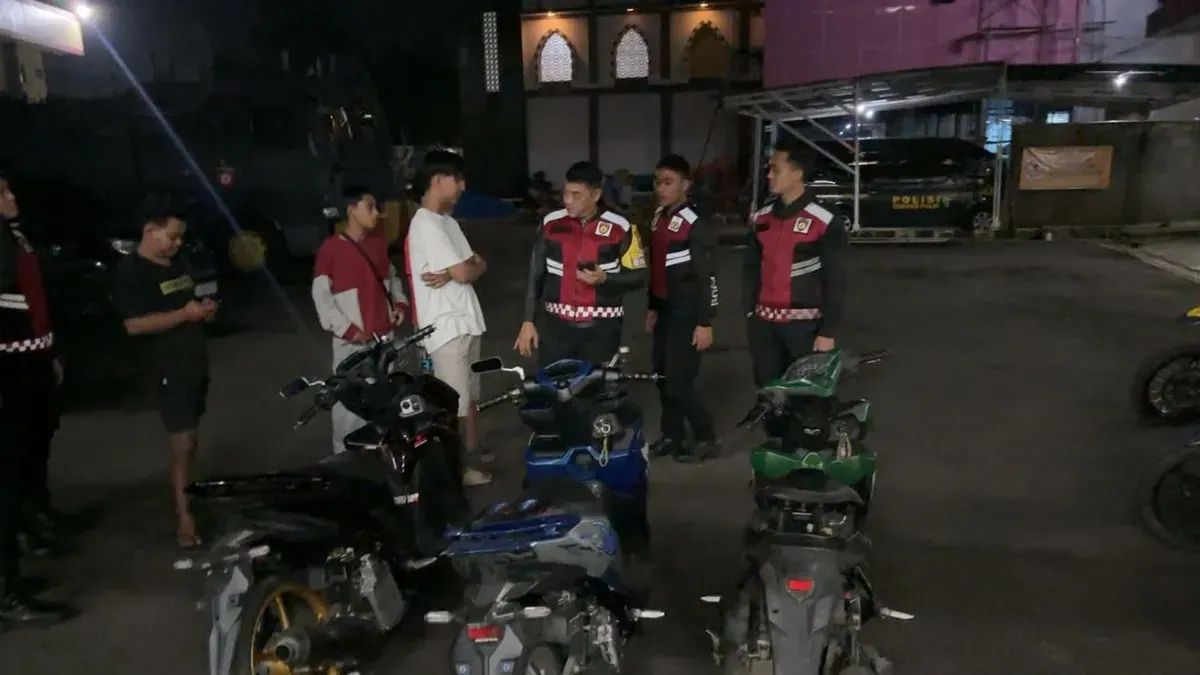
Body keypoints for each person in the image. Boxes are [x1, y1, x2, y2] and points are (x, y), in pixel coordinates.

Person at [112, 197, 218, 549]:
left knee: (191, 440)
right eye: (172, 236)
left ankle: (188, 497)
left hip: (193, 364)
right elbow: (133, 325)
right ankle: (185, 517)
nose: (177, 243)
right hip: (167, 368)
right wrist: (185, 315)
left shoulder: (177, 264)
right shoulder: (131, 272)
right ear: (150, 230)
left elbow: (185, 301)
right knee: (183, 443)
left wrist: (203, 310)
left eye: (180, 238)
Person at [0, 175, 76, 626]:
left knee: (22, 469)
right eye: (3, 192)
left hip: (26, 366)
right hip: (8, 373)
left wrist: (47, 353)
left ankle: (12, 575)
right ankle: (6, 594)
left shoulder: (12, 236)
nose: (13, 197)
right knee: (5, 485)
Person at [404, 150, 492, 488]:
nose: (462, 186)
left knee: (470, 398)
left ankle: (469, 453)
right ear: (437, 180)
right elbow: (467, 270)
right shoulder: (425, 224)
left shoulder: (448, 223)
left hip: (466, 321)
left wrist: (462, 270)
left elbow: (478, 264)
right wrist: (463, 270)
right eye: (457, 179)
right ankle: (456, 470)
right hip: (446, 328)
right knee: (453, 404)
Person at [514, 161, 647, 366]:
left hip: (602, 332)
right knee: (553, 384)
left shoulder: (621, 227)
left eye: (576, 195)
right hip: (556, 331)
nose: (568, 200)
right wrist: (528, 321)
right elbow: (536, 274)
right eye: (565, 193)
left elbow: (639, 276)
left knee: (595, 384)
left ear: (596, 195)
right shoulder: (550, 224)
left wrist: (606, 279)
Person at [743, 138, 848, 387]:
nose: (769, 176)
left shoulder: (825, 220)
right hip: (764, 327)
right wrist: (749, 311)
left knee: (806, 396)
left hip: (805, 329)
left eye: (775, 169)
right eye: (769, 169)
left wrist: (828, 331)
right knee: (768, 393)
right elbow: (750, 267)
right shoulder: (761, 218)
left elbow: (835, 279)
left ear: (798, 173)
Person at [312, 186, 409, 454]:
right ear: (351, 209)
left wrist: (399, 305)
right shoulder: (330, 250)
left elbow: (392, 280)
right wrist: (349, 330)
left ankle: (382, 458)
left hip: (383, 344)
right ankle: (345, 462)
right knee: (349, 410)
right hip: (351, 349)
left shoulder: (377, 246)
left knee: (384, 404)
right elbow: (322, 299)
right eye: (370, 207)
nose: (377, 213)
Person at [644, 154, 720, 463]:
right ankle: (671, 435)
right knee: (662, 377)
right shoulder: (658, 217)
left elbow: (707, 276)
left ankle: (706, 437)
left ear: (685, 185)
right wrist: (652, 306)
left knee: (679, 381)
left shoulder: (695, 223)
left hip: (687, 313)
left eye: (668, 182)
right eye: (658, 182)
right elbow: (656, 268)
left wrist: (705, 322)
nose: (661, 188)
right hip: (664, 311)